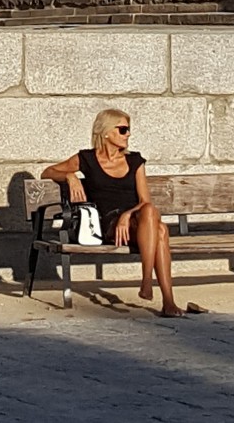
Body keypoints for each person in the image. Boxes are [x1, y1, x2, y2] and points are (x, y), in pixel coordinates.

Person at [42, 109, 185, 316]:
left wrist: (127, 216)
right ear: (106, 132)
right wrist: (71, 176)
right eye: (123, 129)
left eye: (128, 130)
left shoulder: (135, 161)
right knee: (160, 229)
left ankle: (150, 285)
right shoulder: (87, 159)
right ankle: (164, 299)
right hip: (108, 224)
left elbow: (145, 201)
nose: (128, 134)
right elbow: (48, 171)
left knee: (155, 220)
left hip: (136, 222)